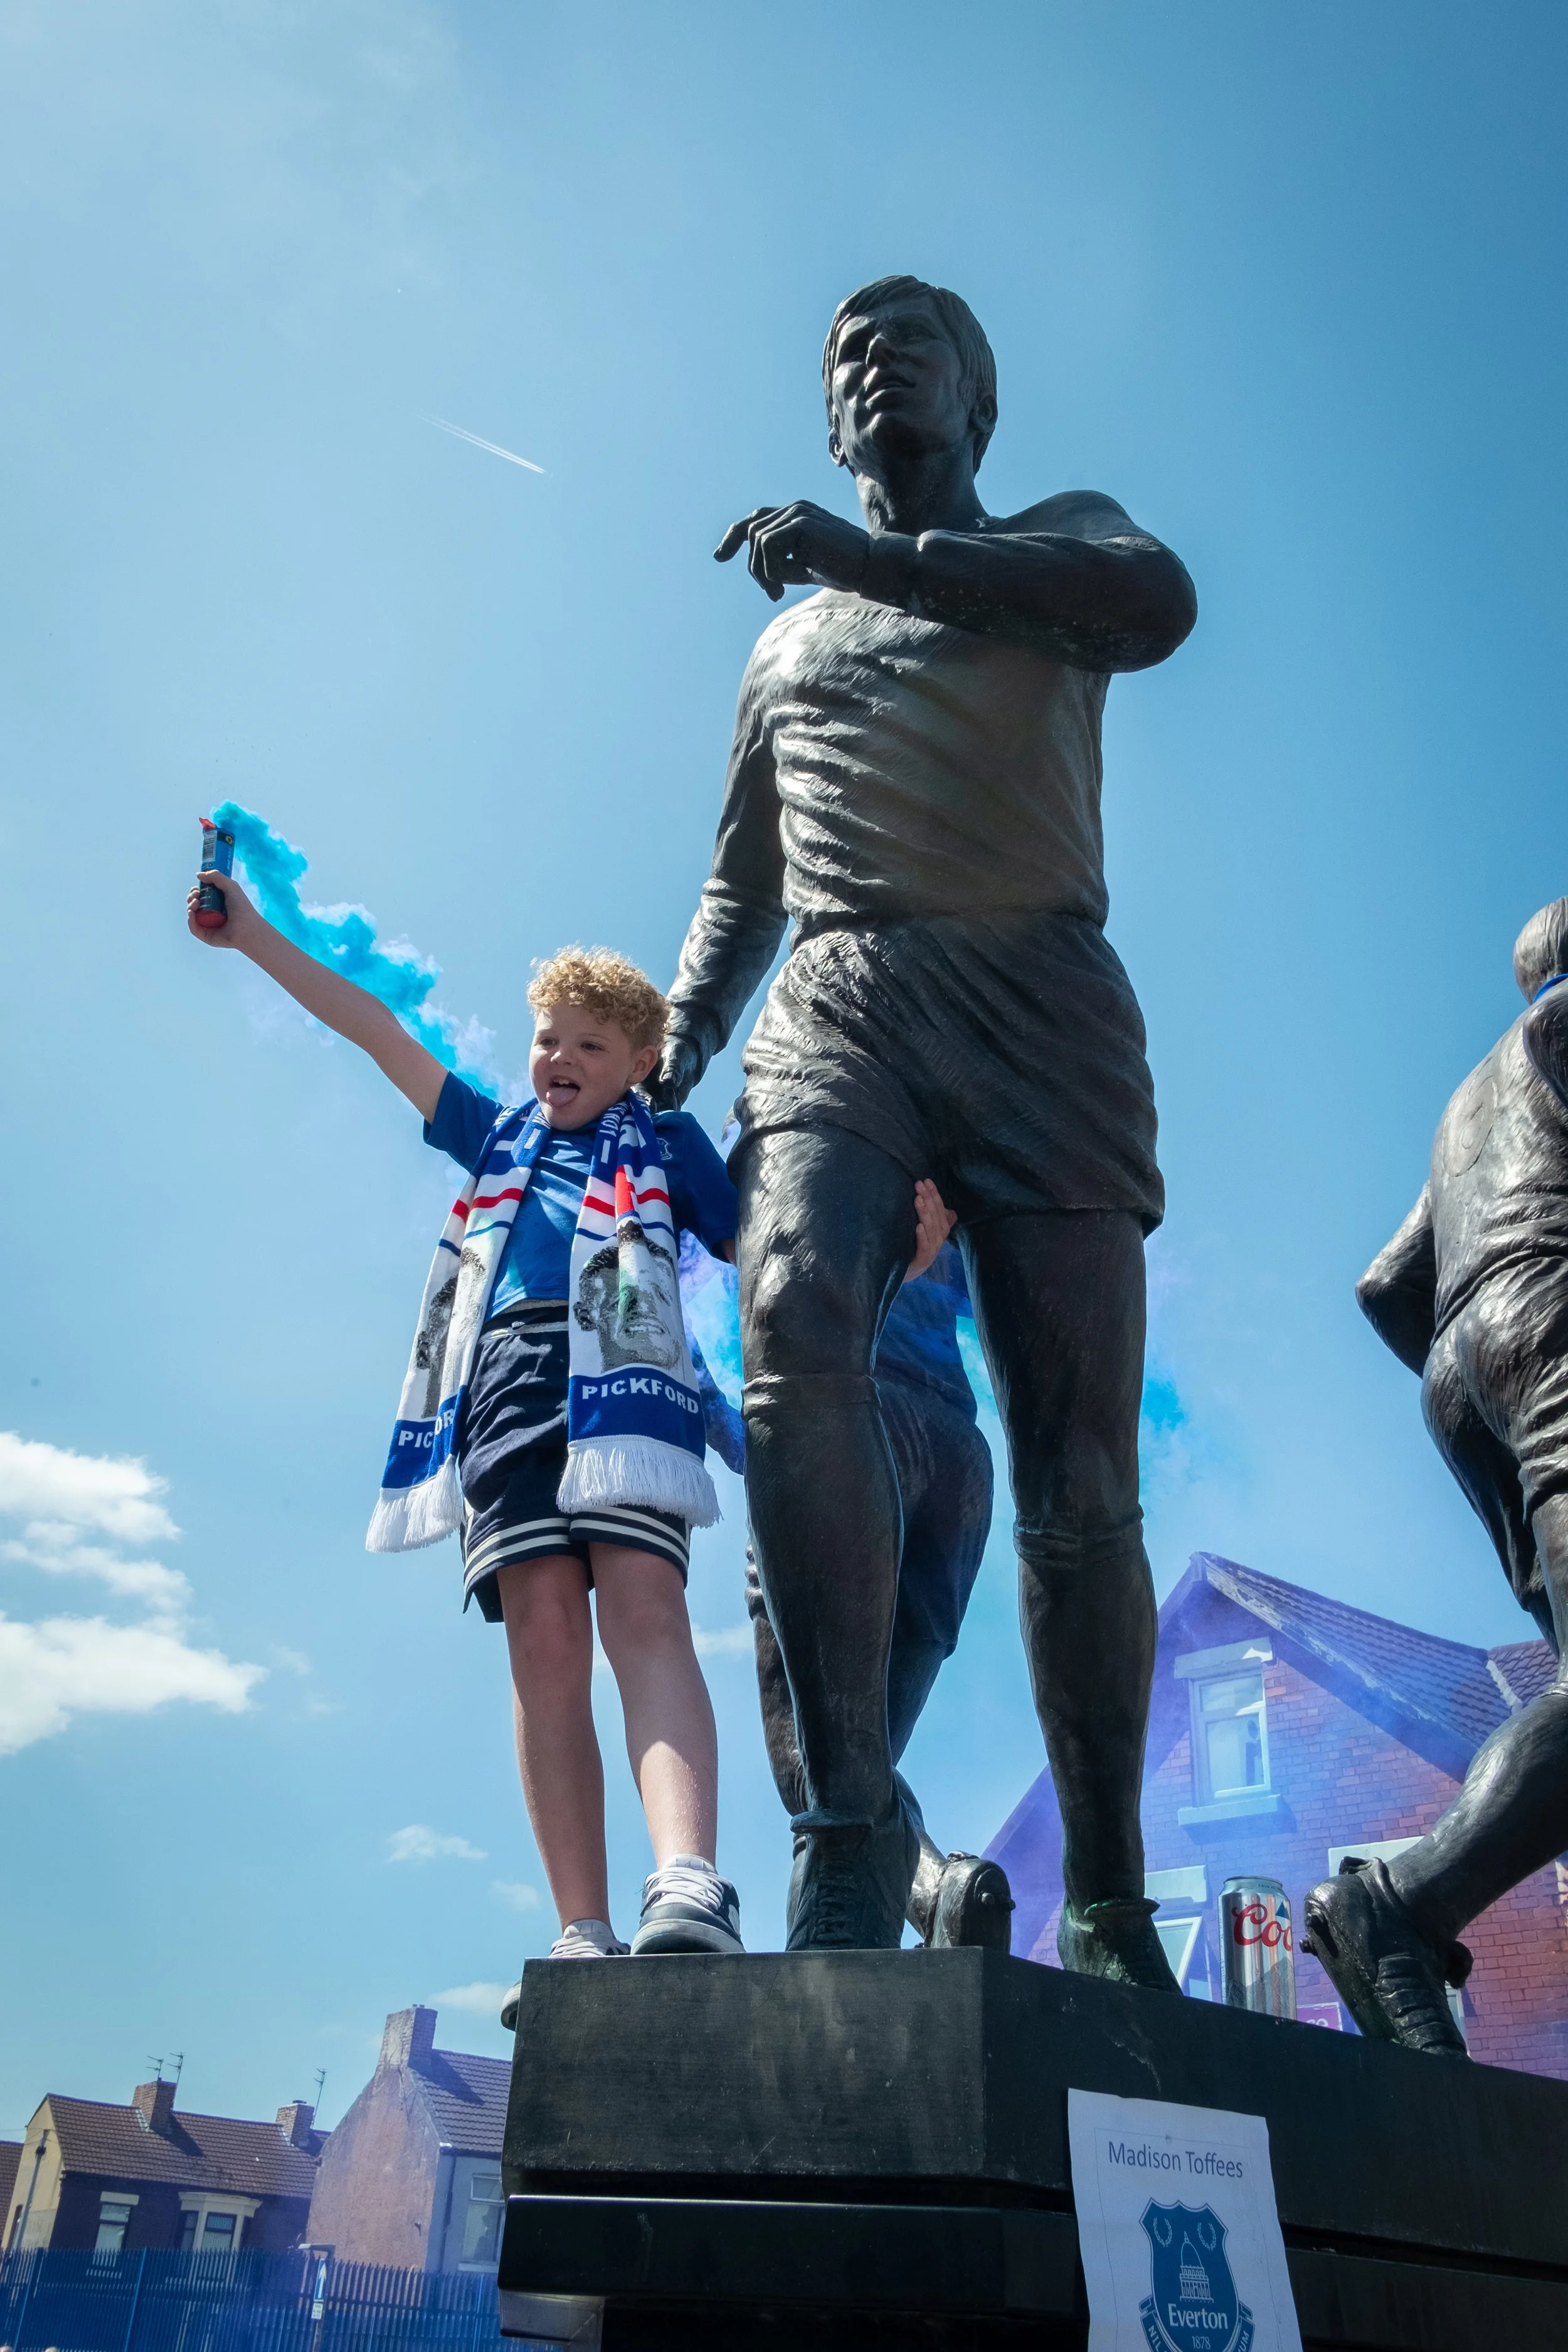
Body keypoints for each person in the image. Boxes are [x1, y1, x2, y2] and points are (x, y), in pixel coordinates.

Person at [650, 275, 1196, 1971]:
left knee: (1077, 1467)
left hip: (1042, 997)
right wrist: (671, 1049)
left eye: (912, 346)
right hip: (846, 996)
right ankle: (839, 1838)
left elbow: (1155, 600)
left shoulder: (1059, 541)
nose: (872, 365)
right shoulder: (785, 646)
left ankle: (1105, 1899)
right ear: (827, 418)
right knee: (797, 1312)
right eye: (845, 356)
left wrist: (876, 559)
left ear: (980, 400)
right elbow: (744, 884)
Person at [186, 869, 748, 1974]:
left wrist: (917, 1258)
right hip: (504, 1388)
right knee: (543, 1641)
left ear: (640, 1062)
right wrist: (250, 934)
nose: (562, 1061)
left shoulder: (670, 1146)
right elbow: (374, 1029)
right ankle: (581, 1925)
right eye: (549, 1040)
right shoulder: (494, 1135)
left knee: (645, 1612)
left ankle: (686, 1878)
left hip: (627, 1381)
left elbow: (775, 1249)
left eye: (591, 1045)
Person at [1305, 899, 1568, 2055]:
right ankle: (1400, 1905)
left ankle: (1403, 1910)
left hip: (1466, 1368)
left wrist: (1482, 1377)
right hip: (1550, 1316)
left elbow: (1383, 1286)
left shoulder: (1471, 1102)